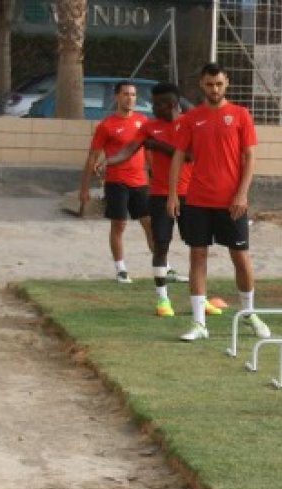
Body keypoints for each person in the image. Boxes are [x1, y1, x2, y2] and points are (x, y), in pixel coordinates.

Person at [168, 63, 270, 342]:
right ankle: (199, 323)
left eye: (219, 84)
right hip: (197, 201)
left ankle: (249, 314)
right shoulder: (191, 118)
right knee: (197, 257)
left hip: (232, 202)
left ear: (227, 84)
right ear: (202, 85)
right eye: (210, 84)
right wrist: (174, 194)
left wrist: (242, 193)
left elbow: (250, 157)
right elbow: (178, 156)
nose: (215, 89)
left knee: (241, 257)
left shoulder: (240, 115)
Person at [103, 82, 199, 317]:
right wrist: (108, 161)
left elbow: (190, 156)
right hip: (159, 195)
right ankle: (162, 300)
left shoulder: (189, 124)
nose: (153, 107)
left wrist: (159, 146)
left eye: (158, 104)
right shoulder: (149, 127)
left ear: (173, 104)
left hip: (190, 194)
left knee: (198, 247)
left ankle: (199, 298)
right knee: (160, 244)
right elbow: (129, 149)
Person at [79, 81, 154, 284]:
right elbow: (93, 157)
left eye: (133, 94)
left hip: (140, 182)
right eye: (126, 94)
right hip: (116, 182)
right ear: (117, 97)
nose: (130, 98)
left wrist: (155, 178)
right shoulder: (106, 125)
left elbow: (148, 152)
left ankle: (161, 265)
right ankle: (121, 269)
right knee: (119, 224)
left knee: (150, 224)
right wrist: (84, 188)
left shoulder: (143, 121)